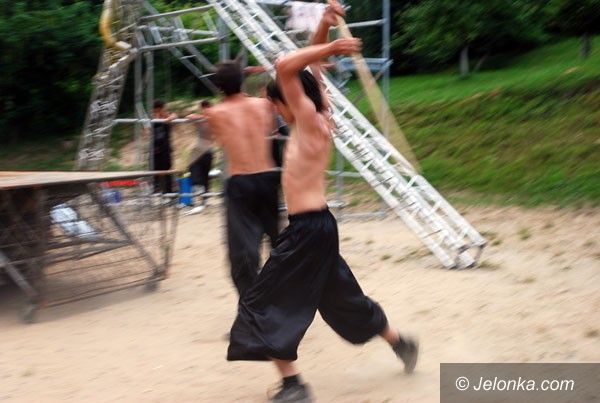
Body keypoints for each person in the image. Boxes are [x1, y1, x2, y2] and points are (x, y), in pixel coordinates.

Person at [226, 3, 418, 402]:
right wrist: (326, 28)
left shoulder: (307, 120)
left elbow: (287, 66)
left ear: (290, 99)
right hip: (320, 228)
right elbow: (309, 70)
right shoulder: (321, 113)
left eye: (276, 103)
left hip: (307, 231)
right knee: (344, 299)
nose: (276, 112)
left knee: (262, 302)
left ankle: (293, 385)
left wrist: (329, 49)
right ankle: (400, 343)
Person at [204, 62, 280, 298]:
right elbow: (271, 129)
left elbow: (214, 141)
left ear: (219, 86)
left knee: (242, 253)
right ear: (242, 81)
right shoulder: (264, 105)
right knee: (277, 241)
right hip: (268, 178)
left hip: (240, 181)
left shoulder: (215, 113)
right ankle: (283, 297)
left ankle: (252, 306)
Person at [187, 100, 214, 205]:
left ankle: (205, 198)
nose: (206, 110)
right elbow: (189, 117)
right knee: (193, 168)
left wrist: (203, 118)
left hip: (208, 150)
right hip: (198, 150)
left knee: (205, 174)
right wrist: (200, 117)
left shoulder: (213, 119)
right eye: (204, 108)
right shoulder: (200, 120)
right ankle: (197, 191)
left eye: (208, 108)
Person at [150, 100, 177, 194]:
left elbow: (175, 115)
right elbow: (147, 130)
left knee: (167, 169)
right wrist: (157, 117)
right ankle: (156, 188)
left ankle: (168, 191)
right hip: (155, 148)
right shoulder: (153, 118)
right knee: (155, 170)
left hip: (165, 148)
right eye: (156, 111)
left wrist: (168, 118)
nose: (163, 111)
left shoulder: (166, 115)